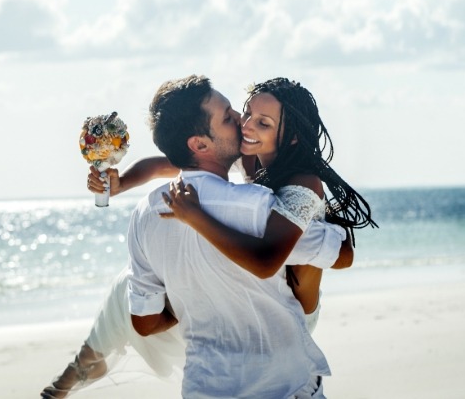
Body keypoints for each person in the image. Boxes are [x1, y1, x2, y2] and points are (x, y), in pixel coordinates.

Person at [42, 75, 353, 398]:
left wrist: (196, 220)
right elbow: (165, 165)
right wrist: (122, 183)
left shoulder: (291, 189)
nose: (243, 123)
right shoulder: (250, 186)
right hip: (268, 319)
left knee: (135, 283)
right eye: (242, 113)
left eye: (262, 123)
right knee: (128, 284)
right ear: (200, 144)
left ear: (289, 137)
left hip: (297, 302)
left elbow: (332, 254)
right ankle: (88, 362)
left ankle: (86, 362)